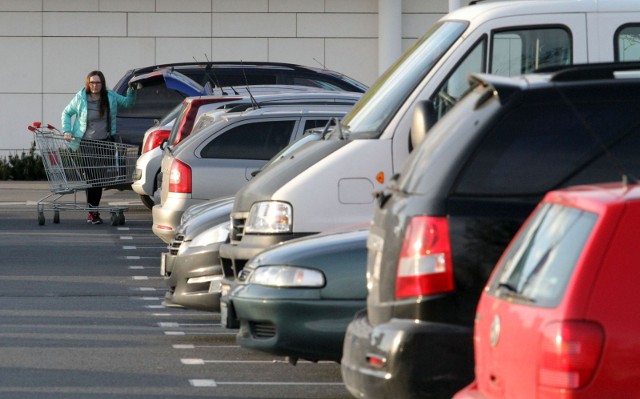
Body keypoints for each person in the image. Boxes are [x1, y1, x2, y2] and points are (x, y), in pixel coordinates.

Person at [61, 70, 140, 224]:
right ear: (88, 83)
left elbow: (128, 103)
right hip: (87, 143)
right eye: (92, 82)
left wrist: (132, 90)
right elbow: (66, 113)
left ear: (102, 84)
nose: (95, 86)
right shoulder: (81, 98)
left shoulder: (110, 96)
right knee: (92, 179)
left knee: (99, 179)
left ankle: (93, 211)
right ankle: (93, 212)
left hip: (104, 143)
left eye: (97, 83)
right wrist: (67, 131)